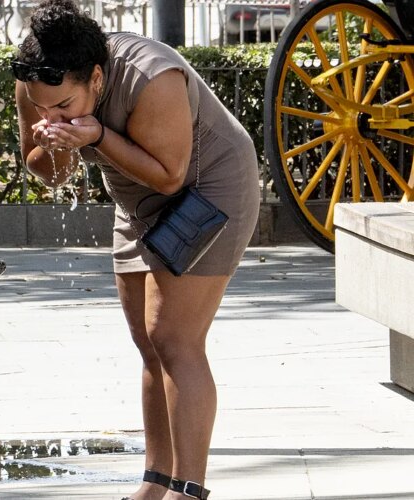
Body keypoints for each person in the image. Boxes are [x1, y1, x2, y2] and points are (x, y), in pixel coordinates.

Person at [13, 1, 260, 499]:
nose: (49, 114)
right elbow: (49, 170)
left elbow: (170, 175)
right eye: (42, 108)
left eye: (63, 107)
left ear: (98, 79)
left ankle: (188, 490)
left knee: (172, 337)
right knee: (146, 344)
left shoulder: (152, 75)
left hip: (209, 188)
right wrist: (58, 143)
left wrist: (97, 135)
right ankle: (155, 481)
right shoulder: (36, 80)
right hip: (134, 196)